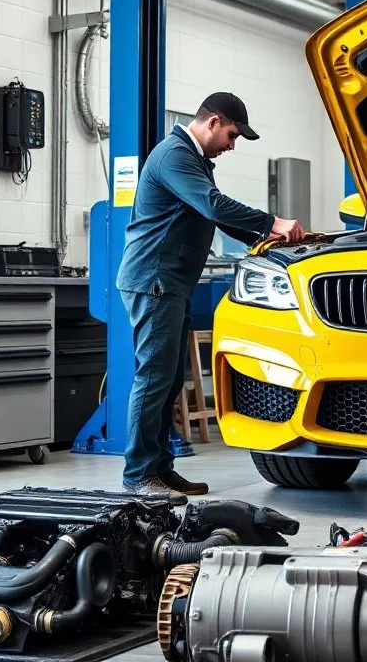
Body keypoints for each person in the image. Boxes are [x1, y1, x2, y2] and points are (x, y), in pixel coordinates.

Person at [115, 92, 305, 496]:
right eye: (232, 136)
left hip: (171, 283)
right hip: (154, 280)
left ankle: (160, 468)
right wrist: (272, 221)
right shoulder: (174, 155)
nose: (232, 146)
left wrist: (272, 238)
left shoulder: (195, 159)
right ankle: (138, 475)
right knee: (153, 377)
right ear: (214, 121)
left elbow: (212, 216)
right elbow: (213, 206)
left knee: (168, 382)